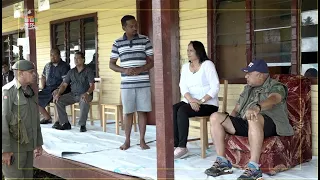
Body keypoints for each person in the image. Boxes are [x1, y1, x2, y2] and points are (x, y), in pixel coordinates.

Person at [204, 59, 294, 180]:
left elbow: (274, 99)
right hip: (247, 122)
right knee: (215, 117)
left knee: (253, 117)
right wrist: (227, 124)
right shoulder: (248, 88)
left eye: (249, 73)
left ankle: (253, 167)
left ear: (260, 75)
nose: (246, 76)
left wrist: (258, 107)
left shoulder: (276, 86)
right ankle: (222, 162)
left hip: (270, 124)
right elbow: (236, 110)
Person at [109, 15, 154, 150]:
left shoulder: (145, 40)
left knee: (142, 112)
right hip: (127, 85)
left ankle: (142, 141)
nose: (135, 28)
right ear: (124, 27)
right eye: (131, 26)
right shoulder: (117, 43)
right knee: (128, 113)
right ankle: (127, 141)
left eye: (136, 25)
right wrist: (124, 70)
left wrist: (141, 69)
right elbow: (111, 64)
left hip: (143, 83)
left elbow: (152, 60)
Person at [173, 41, 219, 159]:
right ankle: (175, 144)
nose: (188, 53)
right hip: (191, 102)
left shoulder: (207, 65)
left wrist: (200, 101)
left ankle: (182, 147)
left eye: (191, 50)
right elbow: (182, 86)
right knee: (173, 108)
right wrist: (191, 100)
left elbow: (215, 87)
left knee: (182, 110)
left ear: (198, 51)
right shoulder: (185, 67)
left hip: (208, 104)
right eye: (187, 50)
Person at [2, 60, 43, 179]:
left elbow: (35, 119)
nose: (34, 74)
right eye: (31, 72)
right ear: (20, 73)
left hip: (28, 147)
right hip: (13, 149)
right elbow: (3, 121)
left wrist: (38, 143)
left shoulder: (29, 91)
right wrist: (4, 150)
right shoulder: (8, 92)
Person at [52, 51, 95, 132]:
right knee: (59, 100)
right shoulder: (71, 72)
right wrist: (58, 93)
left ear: (83, 59)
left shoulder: (88, 70)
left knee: (84, 100)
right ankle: (65, 123)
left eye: (78, 58)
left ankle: (82, 125)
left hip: (85, 94)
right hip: (73, 95)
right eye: (75, 58)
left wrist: (87, 93)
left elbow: (92, 86)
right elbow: (64, 85)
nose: (76, 60)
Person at [38, 48, 70, 124]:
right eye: (51, 55)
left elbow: (65, 81)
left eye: (54, 55)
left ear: (59, 55)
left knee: (57, 97)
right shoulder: (48, 65)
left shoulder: (64, 66)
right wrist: (43, 87)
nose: (52, 57)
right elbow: (43, 76)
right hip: (48, 89)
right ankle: (47, 117)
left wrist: (58, 90)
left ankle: (59, 120)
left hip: (61, 89)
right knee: (34, 99)